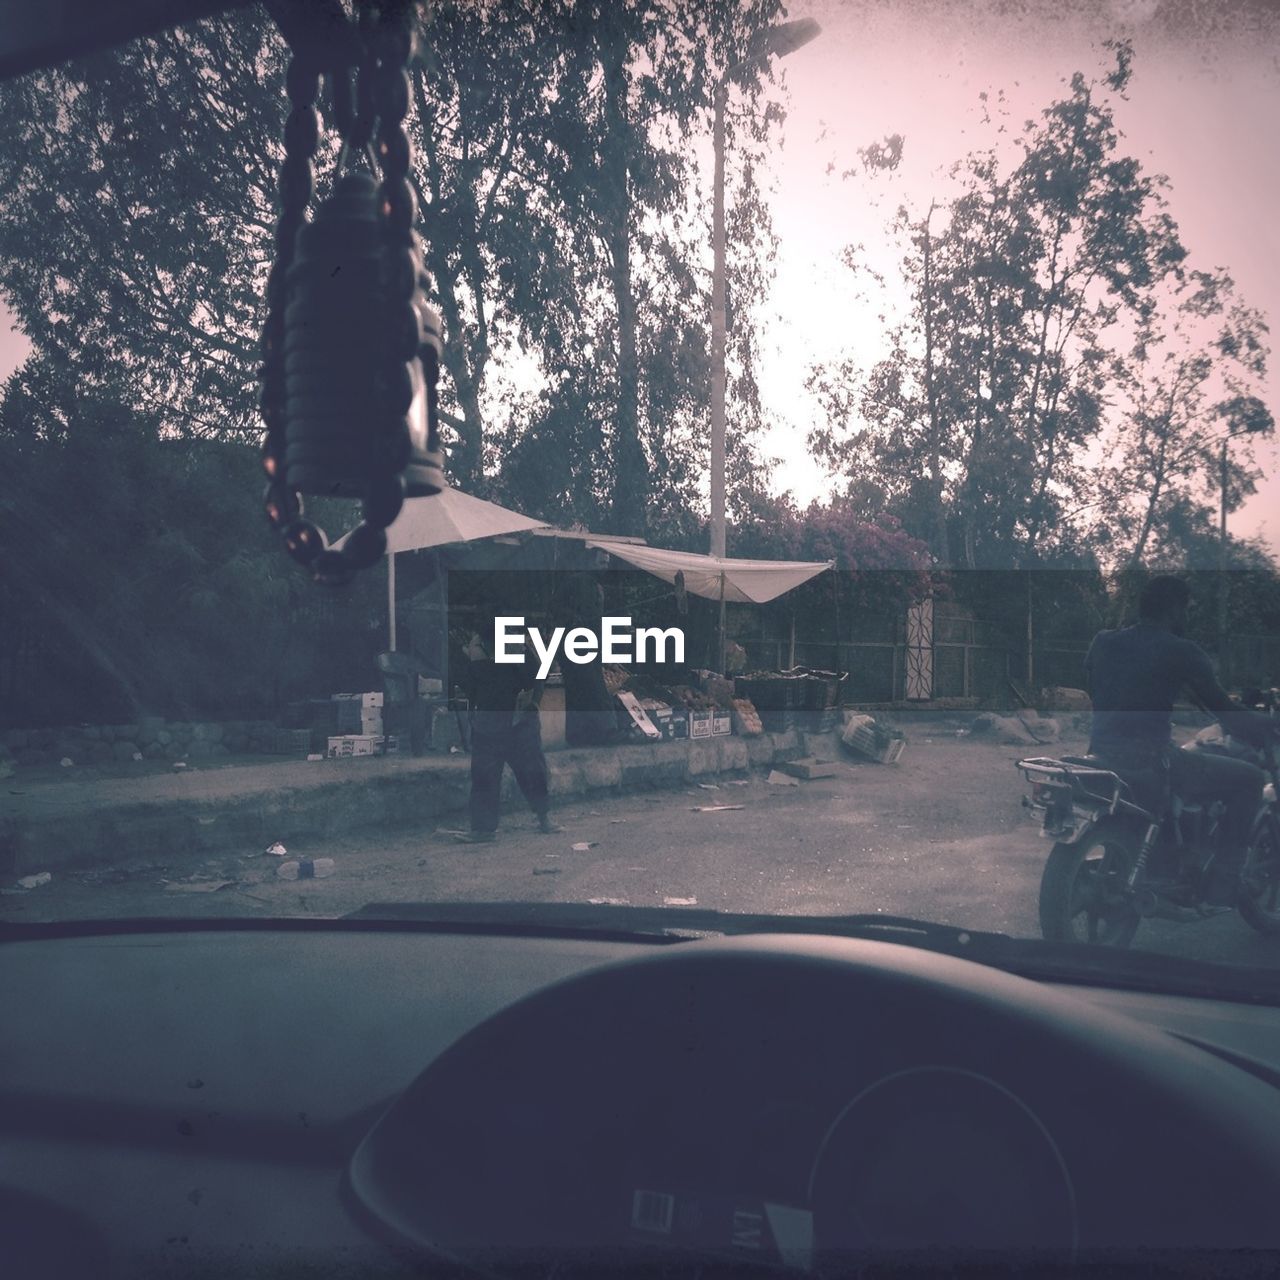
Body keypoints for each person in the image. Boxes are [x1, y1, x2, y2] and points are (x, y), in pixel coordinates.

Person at [1084, 574, 1272, 907]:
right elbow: (1225, 711)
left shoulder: (1103, 641)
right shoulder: (1182, 650)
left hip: (1101, 752)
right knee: (1250, 778)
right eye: (1185, 609)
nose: (1186, 616)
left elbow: (1098, 683)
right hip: (1153, 759)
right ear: (1174, 608)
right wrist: (1267, 724)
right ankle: (1224, 882)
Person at [455, 613, 561, 843]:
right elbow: (469, 688)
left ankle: (542, 818)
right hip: (491, 723)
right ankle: (484, 829)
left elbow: (538, 677)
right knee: (486, 776)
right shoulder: (478, 653)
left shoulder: (512, 650)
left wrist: (532, 704)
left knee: (531, 772)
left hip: (517, 722)